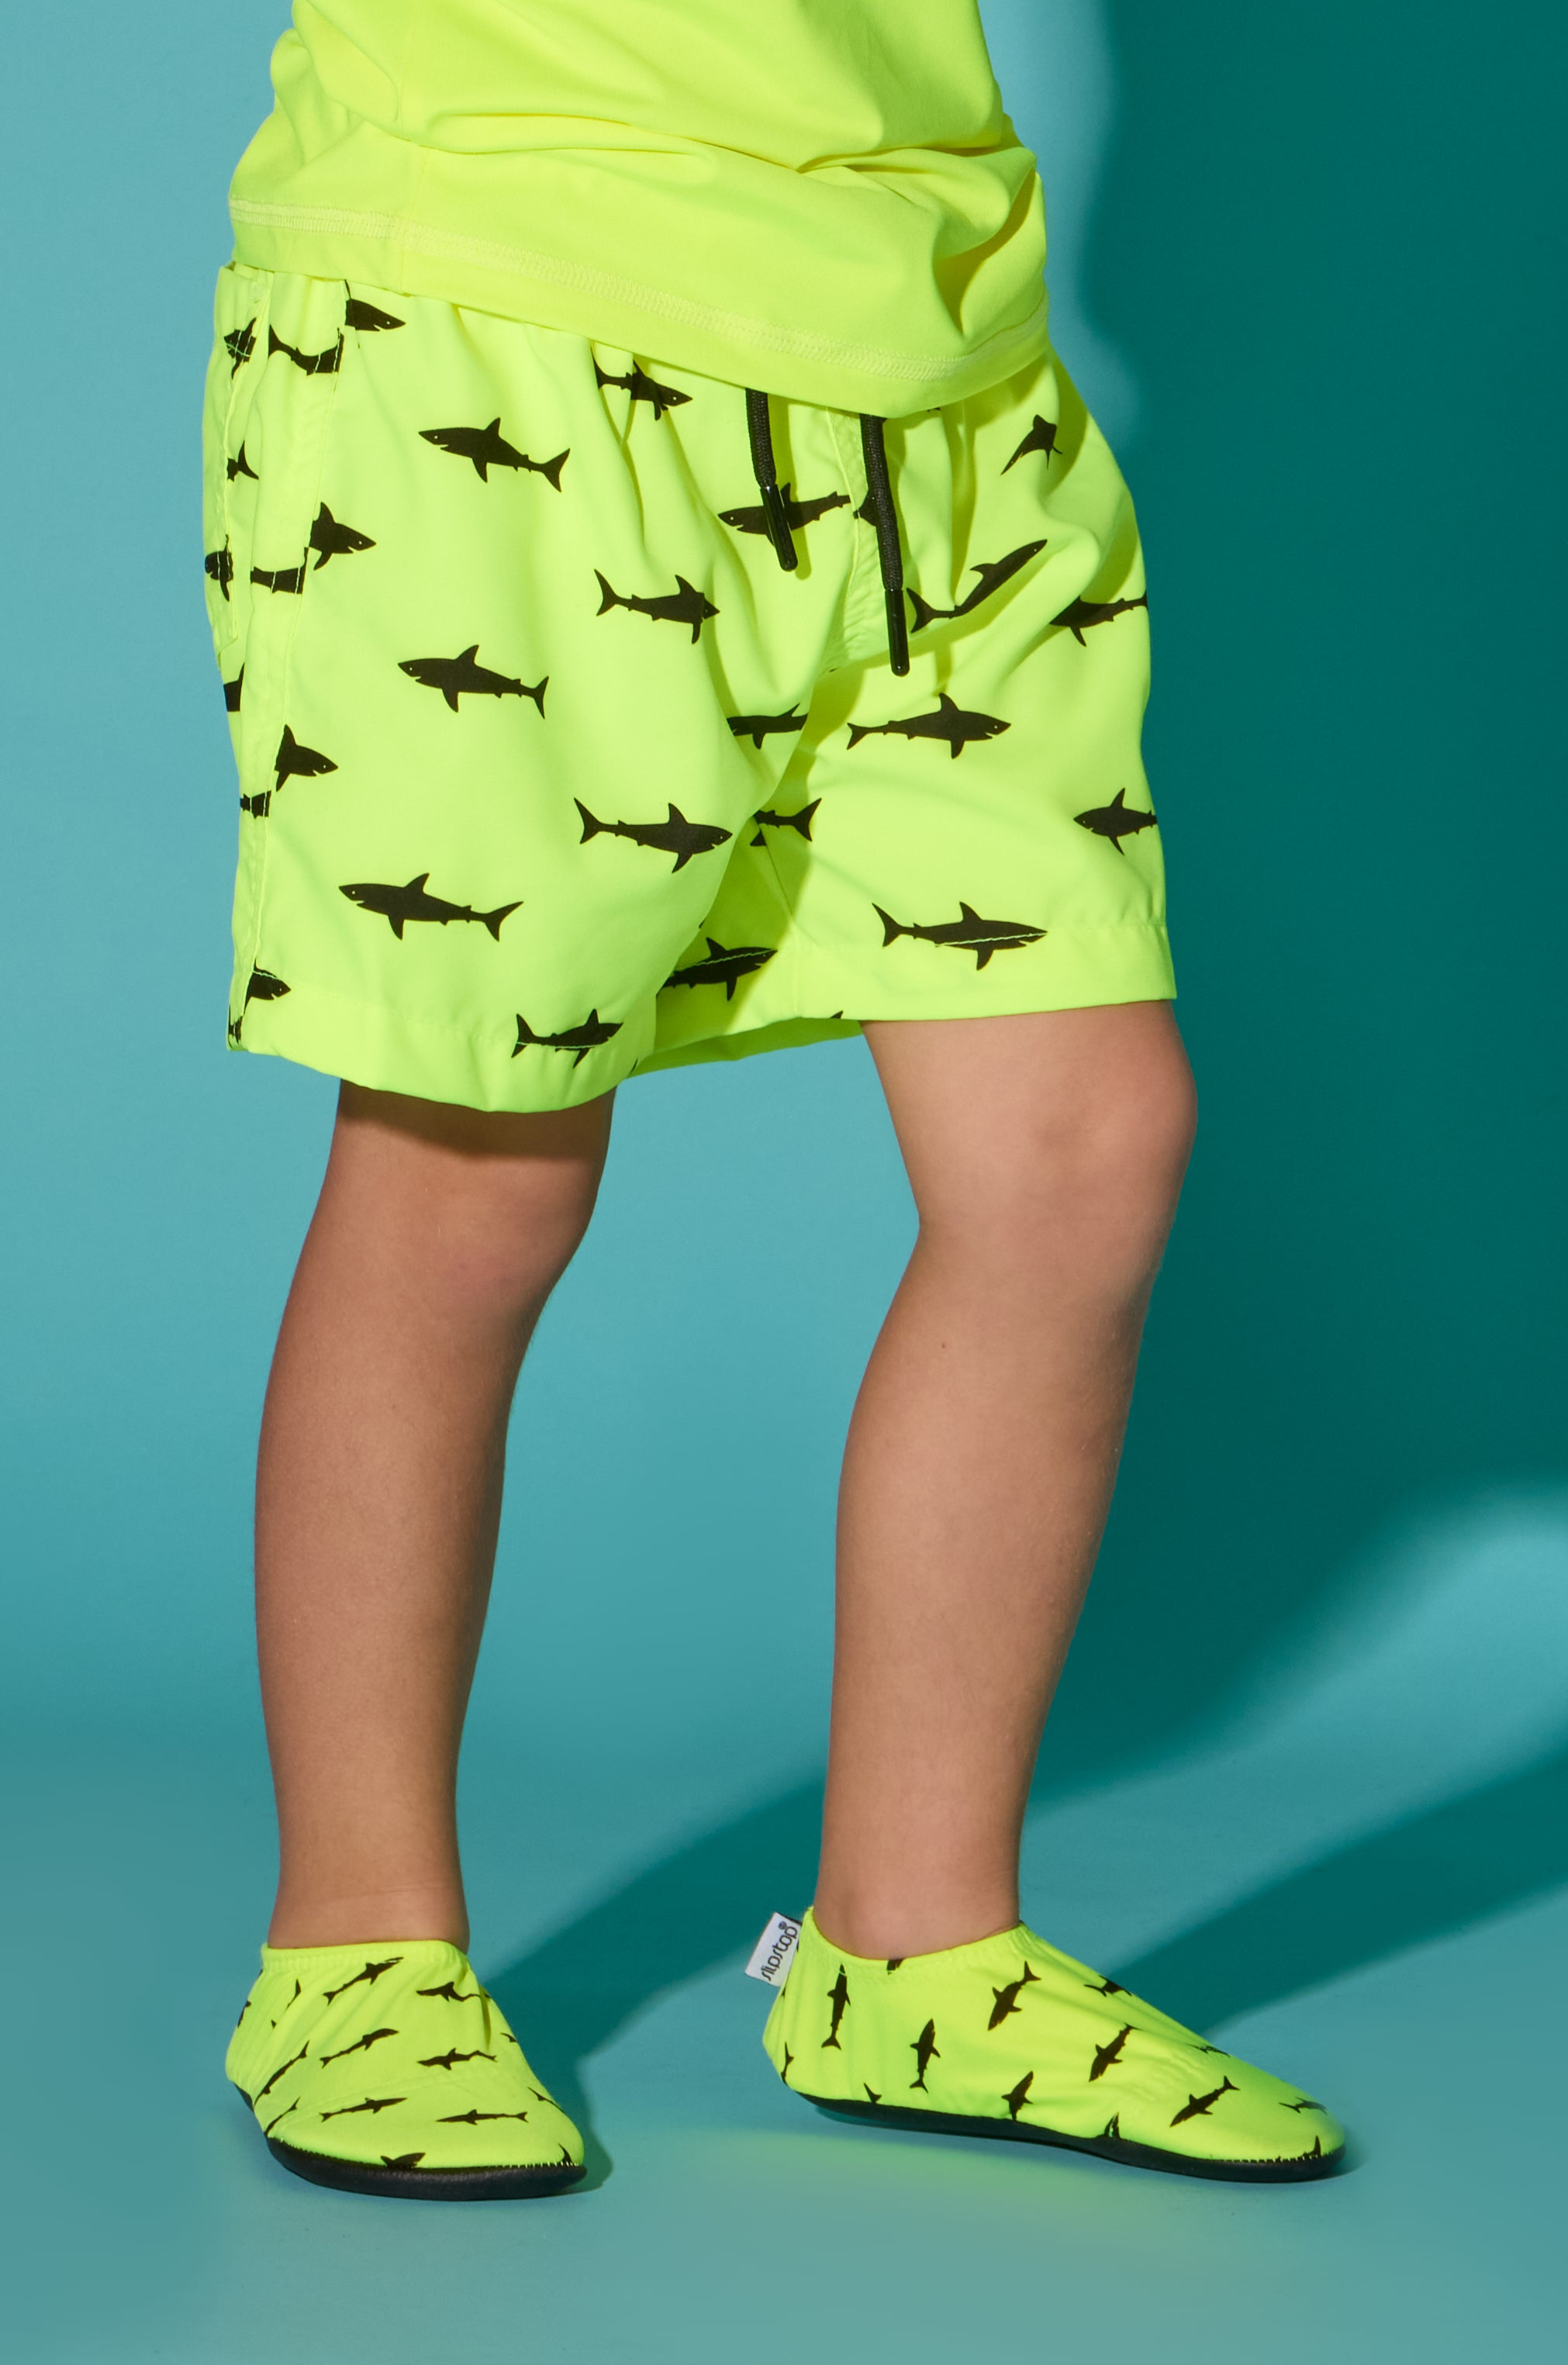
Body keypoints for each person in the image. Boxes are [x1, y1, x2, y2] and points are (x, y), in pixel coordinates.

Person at [206, 0, 1344, 2198]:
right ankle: (351, 1950)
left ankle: (915, 1954)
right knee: (471, 1170)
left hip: (941, 346)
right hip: (500, 312)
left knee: (1081, 1150)